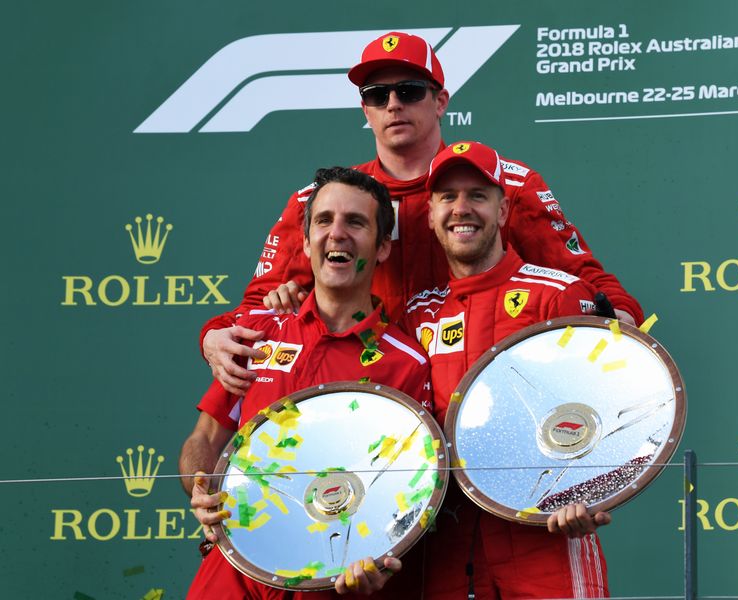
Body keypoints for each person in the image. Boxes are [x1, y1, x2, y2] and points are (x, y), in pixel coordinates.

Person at [199, 31, 644, 396]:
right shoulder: (329, 201)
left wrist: (620, 319)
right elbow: (257, 305)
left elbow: (584, 278)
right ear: (365, 110)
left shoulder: (505, 183)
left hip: (481, 389)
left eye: (409, 91)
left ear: (441, 101)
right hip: (375, 393)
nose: (393, 104)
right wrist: (213, 338)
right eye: (377, 94)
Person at [179, 167, 432, 599]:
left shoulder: (407, 363)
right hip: (234, 572)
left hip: (334, 583)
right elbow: (205, 437)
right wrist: (203, 485)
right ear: (305, 240)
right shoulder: (257, 333)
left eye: (356, 222)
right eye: (324, 220)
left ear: (383, 246)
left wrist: (381, 558)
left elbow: (414, 493)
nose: (337, 234)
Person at [403, 141, 613, 599]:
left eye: (477, 196)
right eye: (448, 198)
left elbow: (608, 412)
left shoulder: (558, 296)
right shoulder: (417, 315)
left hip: (548, 535)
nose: (462, 209)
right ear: (431, 216)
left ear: (502, 212)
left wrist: (593, 494)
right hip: (447, 551)